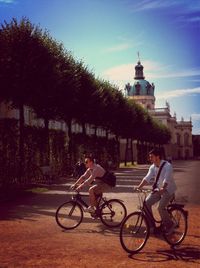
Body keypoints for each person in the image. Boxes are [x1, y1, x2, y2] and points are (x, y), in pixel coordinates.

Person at [136, 148, 177, 235]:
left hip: (168, 190)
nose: (150, 159)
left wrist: (163, 188)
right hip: (158, 189)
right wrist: (139, 187)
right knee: (146, 204)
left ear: (157, 157)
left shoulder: (167, 166)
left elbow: (167, 179)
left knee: (160, 207)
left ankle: (170, 225)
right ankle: (151, 227)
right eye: (149, 157)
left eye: (151, 157)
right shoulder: (153, 167)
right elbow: (147, 178)